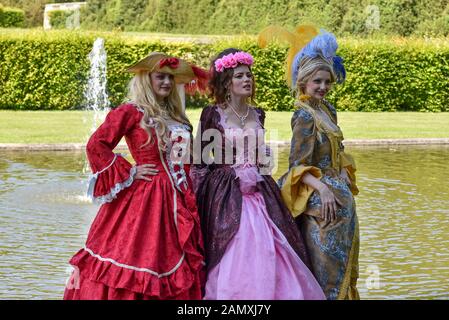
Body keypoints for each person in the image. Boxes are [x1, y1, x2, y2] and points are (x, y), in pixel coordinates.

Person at [63, 52, 207, 300]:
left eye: (170, 79)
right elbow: (96, 145)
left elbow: (186, 161)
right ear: (146, 80)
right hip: (147, 197)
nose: (166, 83)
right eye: (160, 77)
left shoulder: (176, 115)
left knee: (172, 259)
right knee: (140, 258)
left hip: (179, 197)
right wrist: (130, 171)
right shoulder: (131, 112)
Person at [190, 48, 325, 300]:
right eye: (240, 76)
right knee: (235, 249)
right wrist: (200, 194)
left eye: (249, 75)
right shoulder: (213, 114)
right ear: (226, 82)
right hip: (227, 194)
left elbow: (262, 157)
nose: (247, 80)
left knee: (273, 245)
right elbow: (198, 160)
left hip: (260, 192)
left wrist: (263, 160)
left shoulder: (258, 114)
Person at [260, 25, 360, 299]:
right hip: (321, 206)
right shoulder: (303, 116)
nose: (323, 87)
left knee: (344, 268)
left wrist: (341, 172)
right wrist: (324, 188)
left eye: (327, 82)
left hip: (341, 205)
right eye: (317, 81)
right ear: (303, 81)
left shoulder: (328, 110)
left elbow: (338, 150)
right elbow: (297, 165)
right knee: (325, 274)